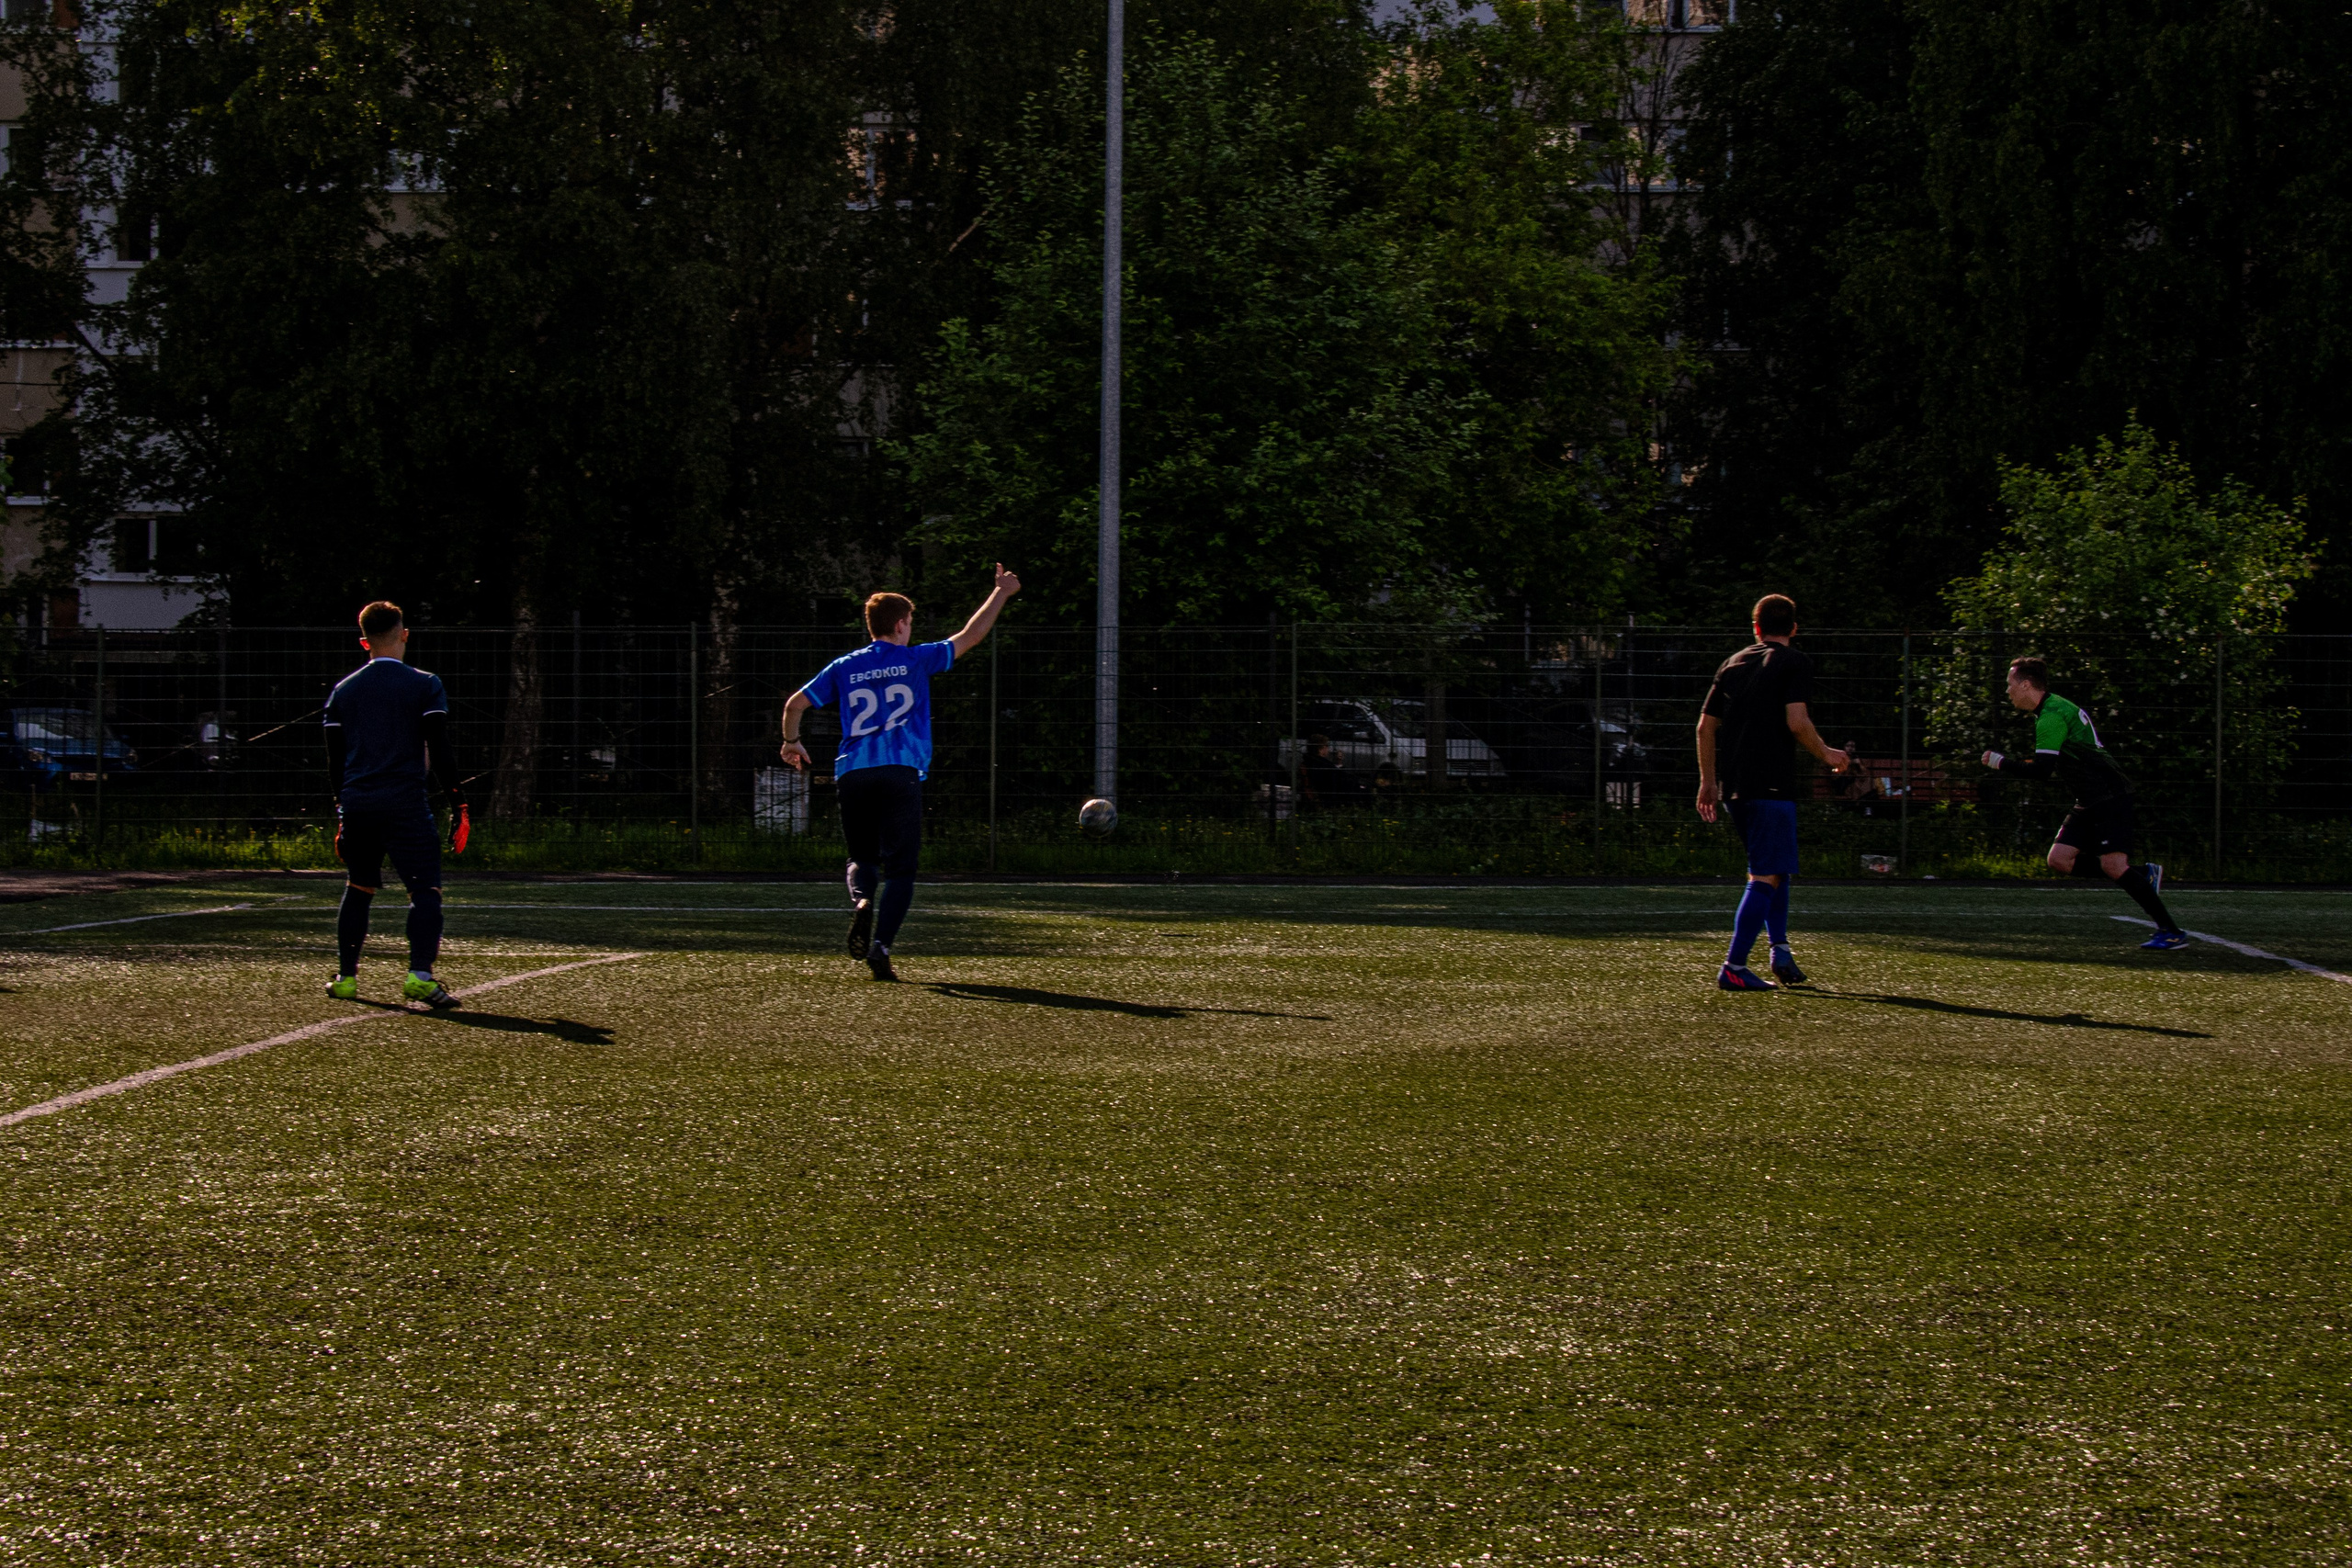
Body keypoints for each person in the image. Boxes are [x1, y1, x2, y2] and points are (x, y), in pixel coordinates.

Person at [781, 565, 1021, 981]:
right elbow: (971, 636)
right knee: (902, 869)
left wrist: (791, 742)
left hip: (853, 772)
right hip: (900, 772)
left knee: (861, 857)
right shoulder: (915, 658)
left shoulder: (844, 666)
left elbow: (794, 705)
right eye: (910, 622)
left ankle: (860, 901)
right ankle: (881, 947)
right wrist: (1000, 593)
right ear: (899, 624)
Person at [1695, 594, 1849, 990]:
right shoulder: (1795, 662)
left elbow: (1704, 728)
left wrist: (1708, 782)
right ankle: (1734, 966)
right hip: (1773, 786)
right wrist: (1829, 753)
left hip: (1736, 789)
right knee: (1766, 875)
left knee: (1775, 870)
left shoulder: (1732, 663)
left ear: (1756, 627)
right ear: (1794, 628)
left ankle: (1780, 951)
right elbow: (1797, 722)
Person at [1980, 656, 2188, 950]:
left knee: (2113, 865)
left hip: (2110, 795)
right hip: (2090, 799)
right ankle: (2141, 874)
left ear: (2026, 685)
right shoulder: (2053, 707)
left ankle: (2171, 931)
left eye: (2010, 685)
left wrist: (2001, 764)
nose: (2008, 691)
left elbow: (2042, 771)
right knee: (2059, 860)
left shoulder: (2051, 716)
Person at [322, 601, 468, 1007]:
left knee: (358, 887)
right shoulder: (425, 684)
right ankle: (420, 975)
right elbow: (440, 750)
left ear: (363, 641)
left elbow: (335, 763)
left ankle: (347, 977)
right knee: (426, 891)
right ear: (404, 634)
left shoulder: (343, 691)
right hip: (405, 804)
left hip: (358, 805)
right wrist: (460, 805)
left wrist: (341, 812)